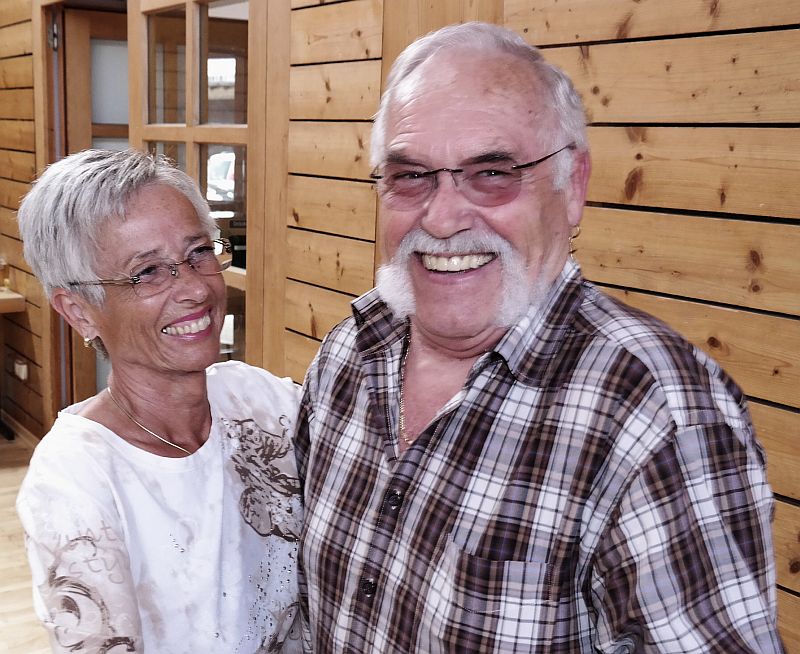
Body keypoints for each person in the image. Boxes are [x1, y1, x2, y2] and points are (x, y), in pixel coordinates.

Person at [295, 22, 783, 653]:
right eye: (411, 176)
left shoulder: (658, 415)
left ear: (572, 186)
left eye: (492, 173)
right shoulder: (347, 355)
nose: (441, 218)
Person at [16, 149, 302, 653]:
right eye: (146, 272)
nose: (194, 288)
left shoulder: (262, 401)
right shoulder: (76, 479)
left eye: (199, 252)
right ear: (79, 312)